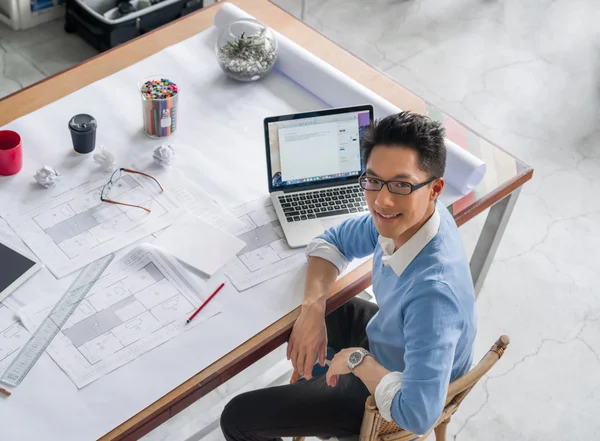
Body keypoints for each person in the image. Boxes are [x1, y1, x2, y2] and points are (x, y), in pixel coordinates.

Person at [220, 111, 477, 440]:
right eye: (373, 180)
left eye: (401, 184)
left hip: (396, 389)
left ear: (434, 188)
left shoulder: (434, 297)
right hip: (394, 340)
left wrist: (358, 361)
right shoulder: (414, 216)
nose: (382, 201)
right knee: (298, 312)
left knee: (238, 417)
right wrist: (313, 309)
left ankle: (323, 400)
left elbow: (418, 414)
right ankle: (315, 384)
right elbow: (331, 242)